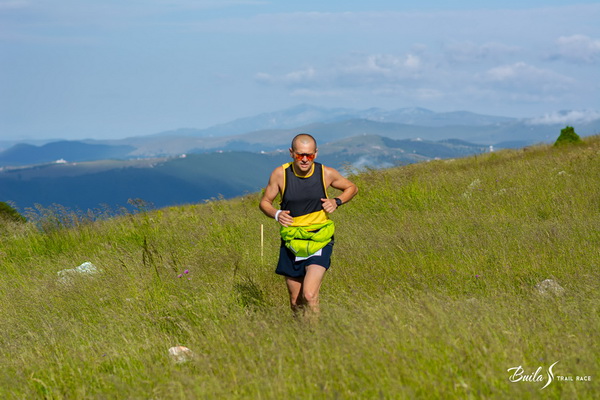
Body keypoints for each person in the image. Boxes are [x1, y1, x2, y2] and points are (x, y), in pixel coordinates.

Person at [259, 133, 358, 315]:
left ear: (316, 153)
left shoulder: (325, 173)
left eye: (309, 155)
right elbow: (265, 202)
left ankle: (316, 332)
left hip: (319, 239)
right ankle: (301, 332)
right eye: (300, 155)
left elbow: (352, 187)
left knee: (310, 295)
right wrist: (276, 214)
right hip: (291, 241)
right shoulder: (280, 174)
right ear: (291, 153)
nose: (305, 159)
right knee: (295, 301)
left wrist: (336, 201)